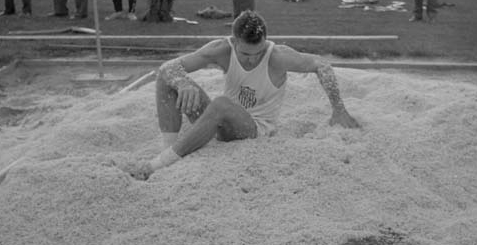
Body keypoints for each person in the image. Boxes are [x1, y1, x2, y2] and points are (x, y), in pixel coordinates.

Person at [129, 10, 360, 180]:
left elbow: (322, 65)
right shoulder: (221, 49)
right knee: (167, 79)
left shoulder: (278, 56)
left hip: (254, 129)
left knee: (221, 103)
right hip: (220, 122)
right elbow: (168, 68)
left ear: (265, 42)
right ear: (234, 41)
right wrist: (181, 81)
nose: (252, 59)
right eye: (245, 54)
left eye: (258, 53)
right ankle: (167, 150)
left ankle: (160, 164)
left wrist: (339, 109)